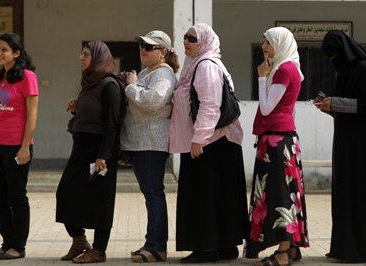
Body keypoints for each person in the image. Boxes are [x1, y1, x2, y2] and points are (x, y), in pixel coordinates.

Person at [169, 23, 248, 263]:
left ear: (203, 42)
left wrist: (198, 139)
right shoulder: (198, 65)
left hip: (210, 143)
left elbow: (210, 105)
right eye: (185, 37)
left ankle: (205, 248)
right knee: (220, 195)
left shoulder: (205, 66)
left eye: (192, 38)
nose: (187, 42)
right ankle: (224, 245)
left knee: (202, 195)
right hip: (216, 144)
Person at [314, 30, 366, 263]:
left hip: (363, 147)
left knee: (361, 191)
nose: (333, 60)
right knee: (346, 191)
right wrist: (329, 106)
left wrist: (335, 103)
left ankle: (365, 248)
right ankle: (346, 246)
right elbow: (348, 107)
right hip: (347, 143)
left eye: (335, 55)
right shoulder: (346, 70)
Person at [56, 41, 125, 263]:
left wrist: (103, 155)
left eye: (85, 54)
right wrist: (76, 110)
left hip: (100, 150)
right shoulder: (88, 84)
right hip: (81, 149)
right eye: (81, 54)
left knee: (100, 198)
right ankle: (79, 241)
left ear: (97, 57)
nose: (81, 57)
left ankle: (99, 250)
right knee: (65, 193)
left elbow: (112, 124)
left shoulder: (109, 85)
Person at [245, 27, 308, 266]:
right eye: (263, 41)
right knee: (284, 190)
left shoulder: (283, 70)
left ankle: (283, 253)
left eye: (268, 42)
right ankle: (290, 248)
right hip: (280, 138)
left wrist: (261, 77)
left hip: (277, 139)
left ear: (280, 44)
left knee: (280, 192)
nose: (264, 47)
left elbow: (267, 107)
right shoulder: (286, 68)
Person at [121, 30, 179, 263]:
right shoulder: (148, 71)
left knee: (154, 194)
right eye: (142, 45)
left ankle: (157, 247)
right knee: (150, 195)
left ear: (163, 52)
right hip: (141, 142)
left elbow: (155, 100)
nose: (143, 49)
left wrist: (132, 86)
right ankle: (152, 243)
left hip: (151, 142)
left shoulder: (164, 73)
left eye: (150, 46)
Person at [0, 33, 38, 260]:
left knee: (17, 197)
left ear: (16, 53)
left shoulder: (28, 76)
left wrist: (25, 146)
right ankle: (6, 244)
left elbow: (32, 114)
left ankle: (18, 246)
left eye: (4, 49)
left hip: (16, 145)